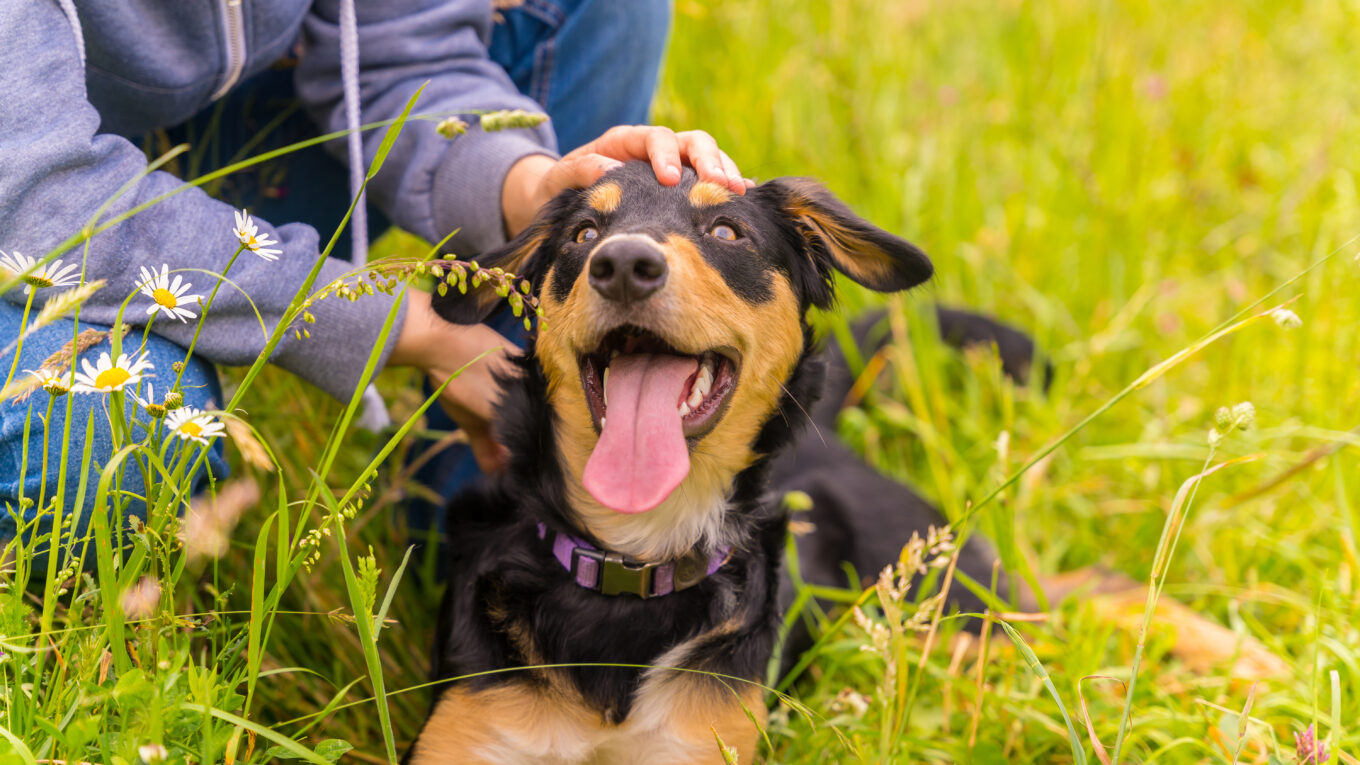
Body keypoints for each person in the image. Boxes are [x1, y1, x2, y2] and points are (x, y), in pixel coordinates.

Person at [0, 0, 750, 548]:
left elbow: (402, 50)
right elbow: (43, 196)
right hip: (35, 192)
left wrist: (533, 187)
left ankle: (492, 513)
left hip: (188, 127)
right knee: (108, 429)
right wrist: (397, 326)